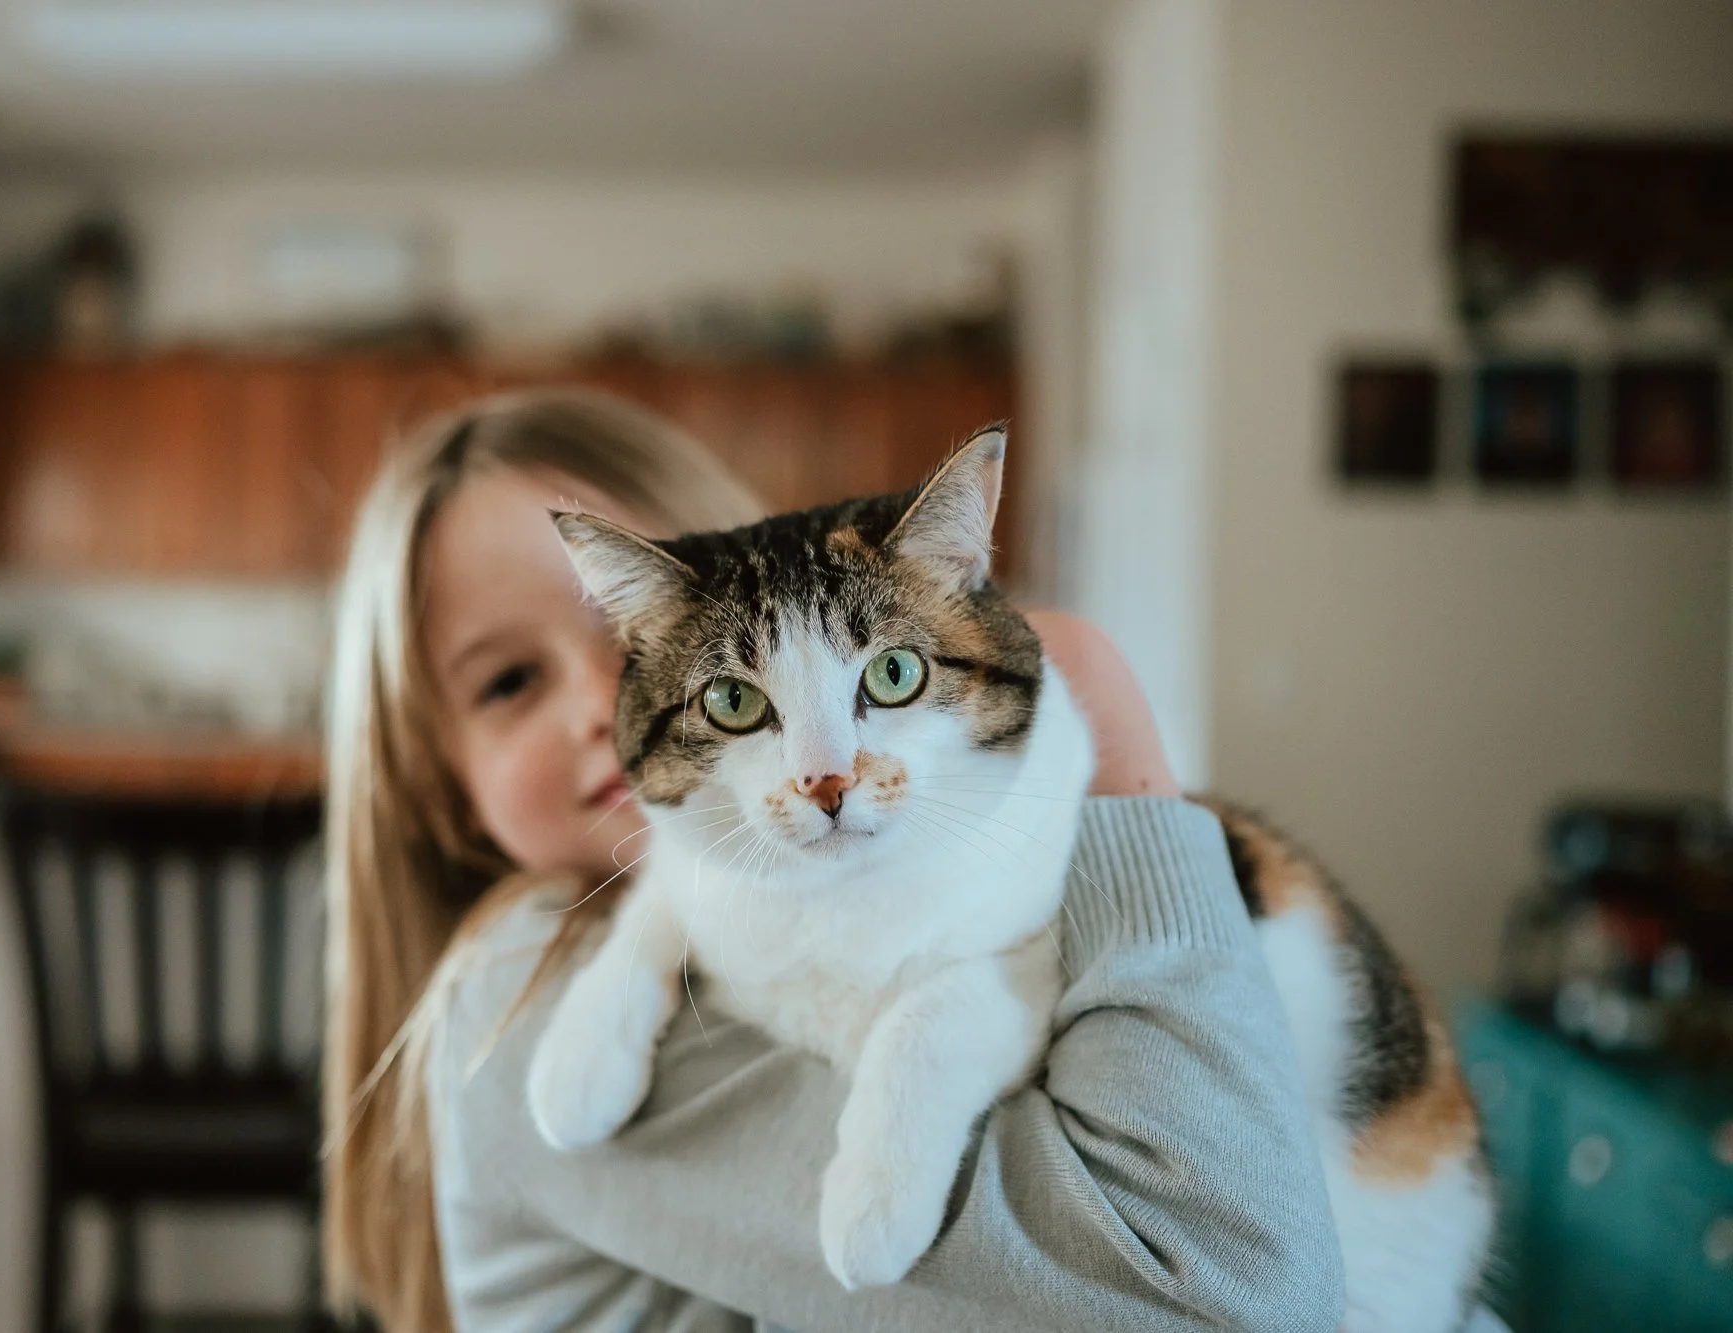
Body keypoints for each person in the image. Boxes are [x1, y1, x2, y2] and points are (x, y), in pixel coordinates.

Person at [321, 388, 1346, 1332]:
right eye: (507, 681)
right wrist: (1109, 727)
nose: (606, 704)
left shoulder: (793, 887)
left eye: (634, 646)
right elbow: (1224, 1292)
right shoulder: (521, 1000)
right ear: (432, 784)